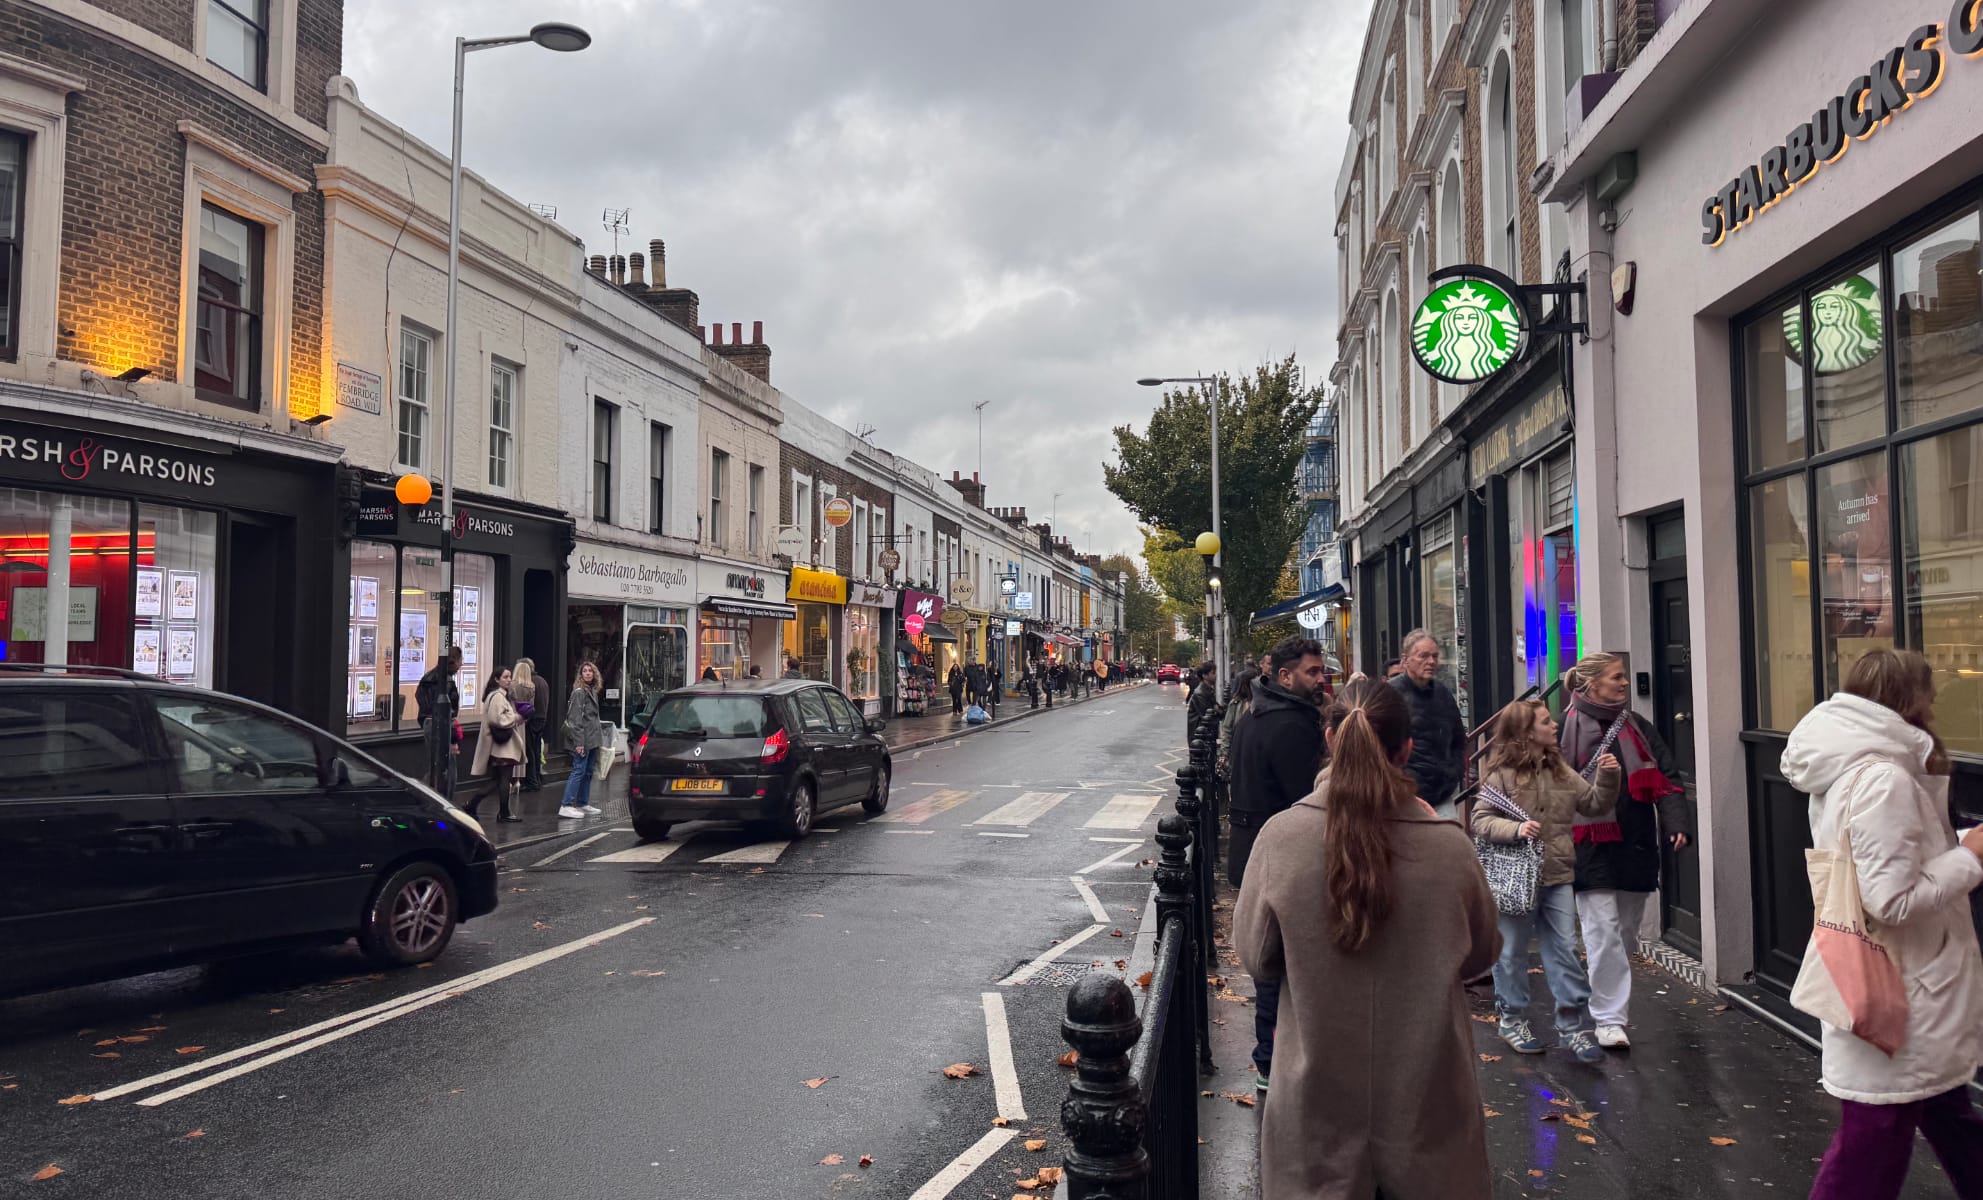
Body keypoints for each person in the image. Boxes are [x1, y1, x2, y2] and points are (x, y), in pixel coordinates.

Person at [1234, 680, 1500, 1199]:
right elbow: (1482, 956)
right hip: (1427, 1102)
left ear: (1331, 737)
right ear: (1406, 749)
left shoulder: (1282, 837)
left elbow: (1256, 958)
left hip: (1317, 1108)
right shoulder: (1449, 848)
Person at [1780, 648, 1983, 1200]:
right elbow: (1889, 900)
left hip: (1909, 979)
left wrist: (1955, 843)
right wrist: (1972, 858)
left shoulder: (1856, 763)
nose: (1937, 700)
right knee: (1875, 1138)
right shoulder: (1883, 778)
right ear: (1909, 698)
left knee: (1942, 1114)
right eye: (1930, 689)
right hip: (1905, 984)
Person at [1472, 698, 1620, 1063]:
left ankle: (1572, 1025)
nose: (1554, 725)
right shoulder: (1500, 774)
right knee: (1510, 953)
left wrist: (1609, 776)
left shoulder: (1560, 770)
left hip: (1557, 873)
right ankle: (1512, 1019)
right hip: (1514, 879)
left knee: (1566, 951)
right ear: (1525, 733)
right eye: (1544, 722)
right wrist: (1516, 828)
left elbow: (1593, 804)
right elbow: (1480, 820)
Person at [1559, 651, 1693, 1049]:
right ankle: (1609, 1018)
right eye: (1616, 677)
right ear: (1590, 684)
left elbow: (1667, 777)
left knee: (1625, 933)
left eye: (1623, 678)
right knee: (1602, 932)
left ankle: (1601, 991)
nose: (1624, 683)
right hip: (1589, 844)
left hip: (1634, 839)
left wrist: (1676, 823)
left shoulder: (1638, 726)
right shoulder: (1560, 729)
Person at [1227, 637, 1329, 1092]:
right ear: (1284, 676)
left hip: (1253, 850)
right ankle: (1272, 1060)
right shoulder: (1291, 725)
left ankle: (1270, 1059)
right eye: (1311, 672)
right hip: (1283, 861)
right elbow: (1304, 804)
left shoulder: (1256, 715)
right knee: (1282, 964)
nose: (1320, 679)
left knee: (1270, 958)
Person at [1390, 629, 1465, 816]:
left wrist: (1455, 772)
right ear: (1405, 660)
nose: (1431, 661)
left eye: (1434, 656)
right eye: (1423, 656)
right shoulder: (1390, 695)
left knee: (1449, 840)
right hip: (1404, 795)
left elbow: (1458, 738)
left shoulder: (1443, 694)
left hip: (1443, 793)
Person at [467, 668, 525, 823]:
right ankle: (503, 813)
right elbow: (496, 719)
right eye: (505, 677)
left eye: (510, 677)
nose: (509, 679)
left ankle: (472, 805)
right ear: (497, 679)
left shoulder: (499, 695)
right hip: (502, 746)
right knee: (504, 779)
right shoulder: (498, 696)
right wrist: (517, 717)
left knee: (497, 780)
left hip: (500, 745)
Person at [560, 661, 605, 820]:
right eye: (584, 671)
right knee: (578, 770)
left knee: (588, 772)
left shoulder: (592, 691)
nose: (587, 673)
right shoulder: (579, 692)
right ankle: (566, 805)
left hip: (592, 739)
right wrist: (579, 743)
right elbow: (575, 719)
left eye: (590, 671)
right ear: (581, 675)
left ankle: (583, 802)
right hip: (584, 739)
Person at [414, 648, 464, 791]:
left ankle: (426, 794)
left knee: (435, 765)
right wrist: (454, 738)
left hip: (428, 723)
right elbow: (450, 712)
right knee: (449, 769)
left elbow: (420, 698)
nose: (461, 665)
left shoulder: (427, 678)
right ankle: (443, 802)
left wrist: (424, 721)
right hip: (441, 725)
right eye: (460, 661)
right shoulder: (447, 682)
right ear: (455, 661)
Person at [1217, 667, 1262, 783]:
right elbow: (1227, 729)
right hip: (1238, 751)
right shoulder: (1236, 704)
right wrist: (1224, 754)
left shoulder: (1262, 703)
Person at [512, 657, 546, 793]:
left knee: (529, 751)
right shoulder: (541, 682)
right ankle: (536, 779)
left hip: (529, 721)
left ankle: (530, 781)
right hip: (541, 719)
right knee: (536, 751)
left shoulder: (526, 684)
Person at [1185, 661, 1219, 740]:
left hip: (1205, 734)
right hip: (1200, 736)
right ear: (1204, 675)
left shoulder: (1207, 690)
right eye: (1213, 673)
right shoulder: (1200, 693)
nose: (1216, 675)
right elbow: (1207, 714)